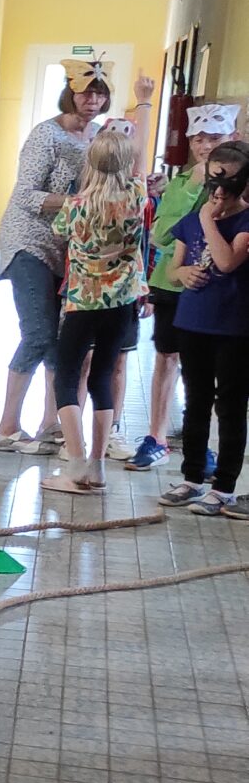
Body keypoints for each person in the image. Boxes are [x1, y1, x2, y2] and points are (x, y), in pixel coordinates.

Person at [0, 74, 108, 453]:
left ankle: (51, 423)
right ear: (70, 94)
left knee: (60, 337)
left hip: (68, 248)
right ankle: (7, 428)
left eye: (100, 93)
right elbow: (25, 194)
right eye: (85, 92)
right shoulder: (46, 135)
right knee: (38, 334)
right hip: (28, 241)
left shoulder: (98, 136)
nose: (92, 100)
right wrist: (79, 203)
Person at [128, 102, 238, 470]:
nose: (206, 147)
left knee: (212, 371)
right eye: (199, 139)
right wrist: (193, 187)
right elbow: (161, 234)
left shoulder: (242, 184)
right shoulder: (180, 182)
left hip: (221, 290)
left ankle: (207, 446)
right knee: (167, 356)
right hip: (173, 283)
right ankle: (157, 436)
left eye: (215, 138)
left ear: (234, 137)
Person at [42, 119, 148, 498]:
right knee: (102, 377)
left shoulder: (76, 207)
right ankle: (98, 468)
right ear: (127, 163)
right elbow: (140, 165)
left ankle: (75, 467)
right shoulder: (137, 196)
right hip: (121, 304)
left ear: (90, 162)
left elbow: (58, 233)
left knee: (66, 378)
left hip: (82, 303)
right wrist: (144, 105)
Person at [158, 138, 249, 520]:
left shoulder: (243, 221)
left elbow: (227, 262)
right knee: (195, 401)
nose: (219, 193)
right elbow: (172, 270)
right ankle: (192, 477)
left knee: (230, 405)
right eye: (214, 183)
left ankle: (224, 486)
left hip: (233, 328)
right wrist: (182, 272)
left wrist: (209, 220)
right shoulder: (191, 220)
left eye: (229, 184)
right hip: (193, 321)